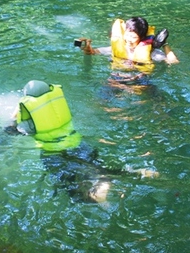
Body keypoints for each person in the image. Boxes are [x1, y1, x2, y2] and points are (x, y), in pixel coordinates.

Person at [10, 80, 158, 203]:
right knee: (97, 166)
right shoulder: (57, 101)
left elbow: (20, 130)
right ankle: (132, 173)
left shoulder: (30, 110)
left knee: (69, 186)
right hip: (78, 144)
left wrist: (14, 118)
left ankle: (96, 195)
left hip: (53, 152)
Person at [79, 17, 179, 71]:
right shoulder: (118, 47)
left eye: (134, 37)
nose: (129, 40)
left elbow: (173, 62)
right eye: (127, 35)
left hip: (140, 83)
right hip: (116, 80)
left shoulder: (151, 53)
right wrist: (87, 47)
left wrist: (164, 44)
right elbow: (92, 52)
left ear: (142, 38)